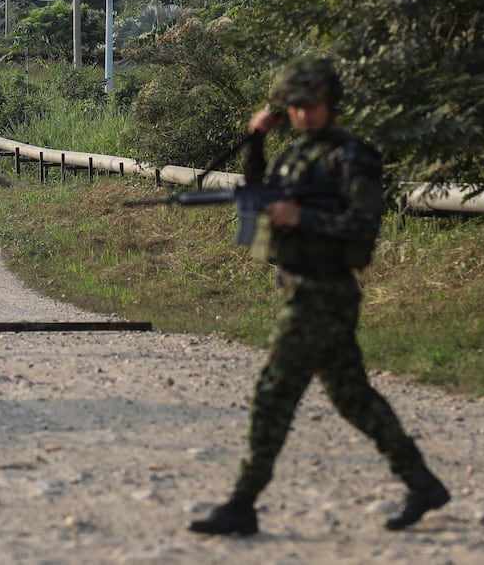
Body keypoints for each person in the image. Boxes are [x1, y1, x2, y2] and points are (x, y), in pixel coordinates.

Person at [189, 57, 449, 536]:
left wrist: (301, 218)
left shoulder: (351, 157)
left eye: (311, 105)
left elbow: (363, 225)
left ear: (331, 104)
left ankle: (242, 503)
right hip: (301, 286)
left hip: (324, 291)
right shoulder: (296, 155)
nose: (303, 115)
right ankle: (422, 482)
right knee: (353, 398)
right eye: (294, 107)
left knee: (275, 394)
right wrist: (257, 141)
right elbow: (262, 192)